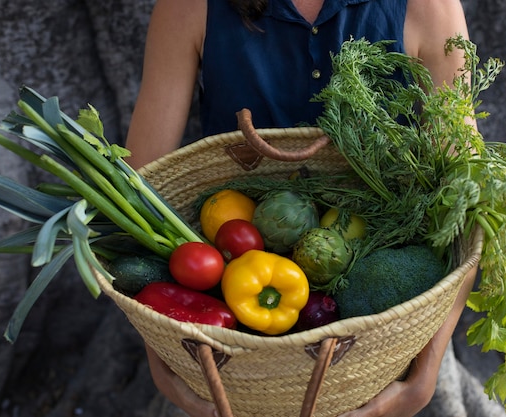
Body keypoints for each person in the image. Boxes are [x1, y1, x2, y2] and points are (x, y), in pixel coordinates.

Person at [125, 0, 477, 416]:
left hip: (383, 355)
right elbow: (137, 197)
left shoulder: (428, 6)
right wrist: (165, 362)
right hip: (232, 353)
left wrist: (423, 380)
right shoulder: (189, 7)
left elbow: (466, 209)